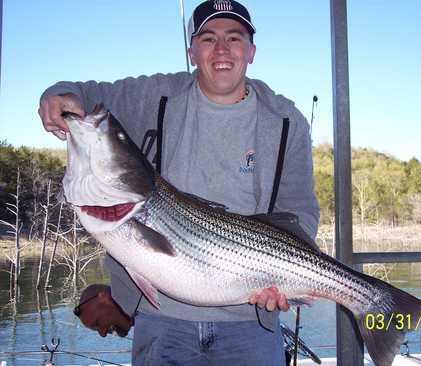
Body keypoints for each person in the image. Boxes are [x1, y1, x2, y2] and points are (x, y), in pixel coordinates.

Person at [39, 1, 320, 365]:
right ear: (191, 50)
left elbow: (299, 210)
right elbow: (84, 95)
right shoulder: (155, 94)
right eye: (208, 39)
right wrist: (59, 95)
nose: (221, 49)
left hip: (252, 320)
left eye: (234, 39)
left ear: (251, 51)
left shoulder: (286, 120)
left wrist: (285, 280)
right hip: (161, 321)